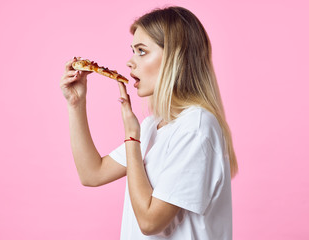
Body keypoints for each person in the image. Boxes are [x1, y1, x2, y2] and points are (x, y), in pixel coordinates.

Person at [60, 6, 238, 240]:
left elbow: (150, 222)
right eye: (133, 51)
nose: (130, 62)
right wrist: (76, 104)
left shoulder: (196, 127)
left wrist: (132, 140)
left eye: (142, 51)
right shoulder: (153, 125)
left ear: (176, 56)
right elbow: (92, 174)